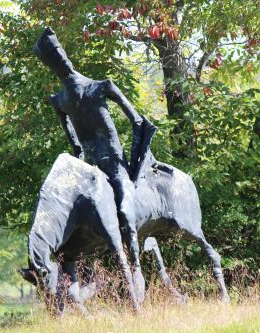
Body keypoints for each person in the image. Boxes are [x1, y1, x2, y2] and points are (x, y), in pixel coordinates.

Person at [34, 27, 154, 301]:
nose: (60, 62)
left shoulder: (101, 85)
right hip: (91, 174)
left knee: (125, 208)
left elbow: (137, 120)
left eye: (60, 56)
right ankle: (74, 283)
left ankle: (135, 267)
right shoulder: (60, 101)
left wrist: (138, 158)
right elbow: (75, 146)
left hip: (115, 166)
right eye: (54, 59)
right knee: (73, 231)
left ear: (65, 57)